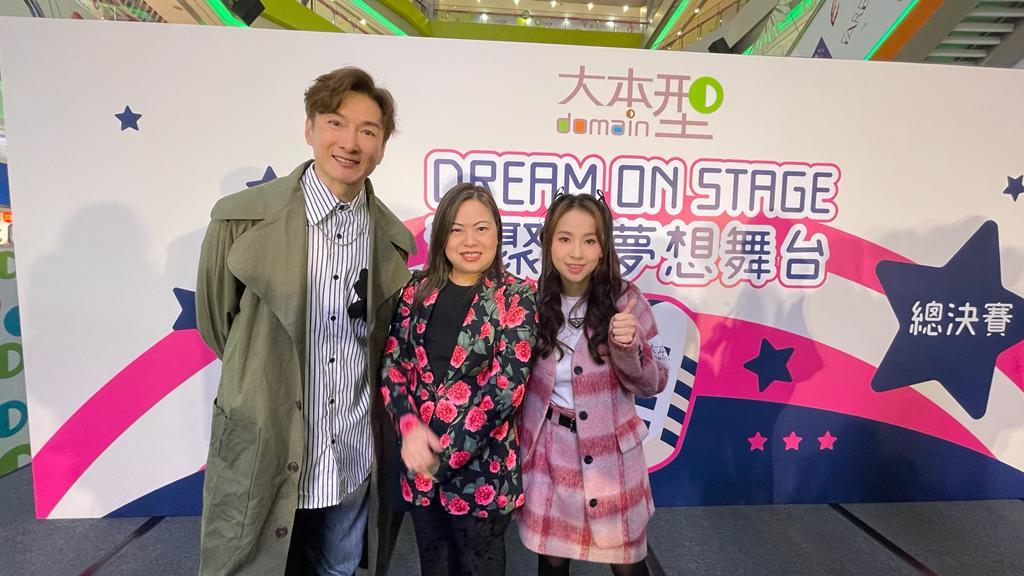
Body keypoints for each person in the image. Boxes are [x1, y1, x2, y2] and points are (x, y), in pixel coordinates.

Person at [195, 67, 413, 576]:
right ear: (310, 127)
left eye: (368, 131)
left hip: (351, 452)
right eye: (336, 123)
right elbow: (219, 325)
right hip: (267, 442)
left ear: (381, 147)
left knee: (339, 568)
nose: (350, 143)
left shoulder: (392, 239)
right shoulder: (239, 219)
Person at [380, 183, 537, 576]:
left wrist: (440, 460)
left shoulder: (516, 295)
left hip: (481, 476)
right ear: (441, 236)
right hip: (418, 467)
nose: (470, 241)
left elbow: (505, 390)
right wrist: (410, 429)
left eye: (481, 228)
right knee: (434, 566)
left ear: (497, 233)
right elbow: (393, 365)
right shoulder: (416, 290)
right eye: (457, 229)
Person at [517, 192, 669, 576]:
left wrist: (628, 345)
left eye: (589, 240)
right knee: (552, 563)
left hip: (612, 462)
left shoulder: (627, 302)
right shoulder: (531, 303)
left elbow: (654, 382)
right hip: (549, 458)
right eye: (565, 238)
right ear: (549, 243)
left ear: (603, 248)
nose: (576, 252)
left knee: (628, 564)